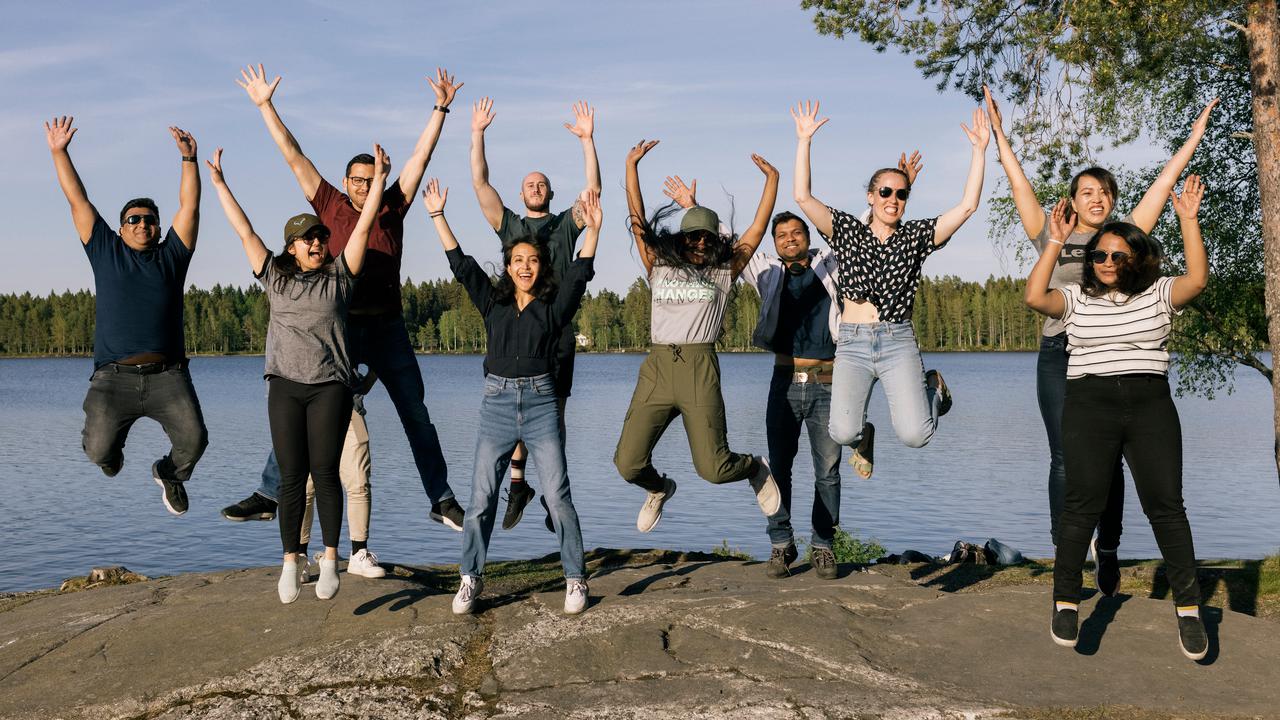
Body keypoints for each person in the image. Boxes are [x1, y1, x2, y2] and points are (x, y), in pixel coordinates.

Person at [986, 87, 1218, 595]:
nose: (1097, 198)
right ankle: (1064, 552)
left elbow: (1165, 182)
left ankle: (1107, 546)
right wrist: (999, 135)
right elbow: (1019, 182)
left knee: (1111, 458)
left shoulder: (1126, 235)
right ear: (1072, 200)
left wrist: (1196, 135)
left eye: (1105, 192)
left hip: (1115, 364)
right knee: (1066, 458)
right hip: (1059, 355)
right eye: (1087, 191)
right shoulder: (1052, 232)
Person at [223, 63, 465, 530]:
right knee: (307, 397)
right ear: (346, 181)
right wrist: (265, 106)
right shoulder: (329, 205)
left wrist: (440, 108)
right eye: (355, 178)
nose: (362, 185)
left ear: (378, 179)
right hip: (339, 329)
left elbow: (421, 156)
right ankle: (269, 493)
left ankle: (441, 498)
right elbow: (293, 156)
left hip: (389, 328)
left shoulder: (393, 205)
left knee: (416, 412)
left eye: (369, 178)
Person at [1025, 176, 1210, 661]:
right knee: (1081, 504)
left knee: (1166, 506)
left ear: (1136, 259)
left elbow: (1197, 280)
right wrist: (1056, 241)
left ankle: (1188, 609)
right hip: (1090, 405)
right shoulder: (1076, 301)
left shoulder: (1158, 294)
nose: (1107, 263)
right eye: (1100, 257)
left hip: (1150, 406)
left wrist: (1188, 220)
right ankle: (1066, 601)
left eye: (1118, 256)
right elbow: (1034, 296)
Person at [206, 144, 385, 604]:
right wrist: (221, 184)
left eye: (320, 237)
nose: (317, 243)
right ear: (291, 247)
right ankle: (290, 562)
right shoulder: (276, 279)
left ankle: (330, 560)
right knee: (291, 478)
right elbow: (243, 229)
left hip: (330, 388)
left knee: (325, 473)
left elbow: (363, 226)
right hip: (285, 387)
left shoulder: (340, 277)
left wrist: (380, 180)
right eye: (307, 238)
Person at [423, 179, 599, 616]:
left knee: (558, 495)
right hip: (497, 405)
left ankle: (575, 579)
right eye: (518, 260)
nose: (525, 266)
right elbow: (461, 265)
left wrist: (594, 227)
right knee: (481, 497)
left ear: (541, 267)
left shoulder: (554, 307)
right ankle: (470, 577)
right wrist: (437, 216)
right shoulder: (493, 303)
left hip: (541, 403)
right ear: (507, 266)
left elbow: (581, 270)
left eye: (532, 260)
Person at [791, 101, 988, 469]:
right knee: (843, 432)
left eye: (901, 194)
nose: (893, 200)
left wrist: (978, 151)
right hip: (852, 341)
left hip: (898, 341)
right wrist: (804, 140)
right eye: (885, 192)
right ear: (870, 195)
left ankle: (934, 387)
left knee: (917, 435)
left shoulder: (916, 236)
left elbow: (967, 207)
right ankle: (865, 437)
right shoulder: (847, 230)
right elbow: (802, 197)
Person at [613, 139, 782, 532]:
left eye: (708, 236)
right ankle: (658, 489)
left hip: (698, 368)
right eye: (694, 236)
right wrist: (630, 165)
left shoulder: (724, 272)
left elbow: (756, 230)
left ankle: (755, 467)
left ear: (716, 239)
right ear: (681, 238)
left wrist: (773, 180)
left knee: (715, 469)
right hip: (657, 368)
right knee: (628, 463)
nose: (702, 242)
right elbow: (637, 219)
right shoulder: (658, 265)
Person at [46, 116, 208, 515]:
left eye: (149, 220)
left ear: (157, 227)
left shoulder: (172, 256)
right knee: (99, 451)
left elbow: (190, 206)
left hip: (168, 375)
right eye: (133, 220)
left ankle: (168, 473)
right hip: (112, 378)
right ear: (120, 229)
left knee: (194, 441)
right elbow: (78, 201)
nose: (141, 224)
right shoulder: (105, 250)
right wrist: (59, 152)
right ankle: (109, 455)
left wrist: (190, 160)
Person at [470, 97, 601, 531]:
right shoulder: (509, 225)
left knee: (552, 416)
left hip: (556, 331)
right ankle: (520, 483)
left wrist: (588, 141)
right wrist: (478, 134)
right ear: (521, 192)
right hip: (515, 330)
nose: (536, 186)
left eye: (542, 183)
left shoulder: (565, 225)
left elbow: (594, 195)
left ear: (550, 192)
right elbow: (480, 185)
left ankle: (548, 492)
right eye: (529, 183)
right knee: (513, 414)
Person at [222, 372, 384, 579]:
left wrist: (368, 380)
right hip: (307, 407)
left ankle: (358, 553)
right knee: (305, 486)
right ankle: (300, 556)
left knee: (359, 480)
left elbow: (379, 347)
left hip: (348, 405)